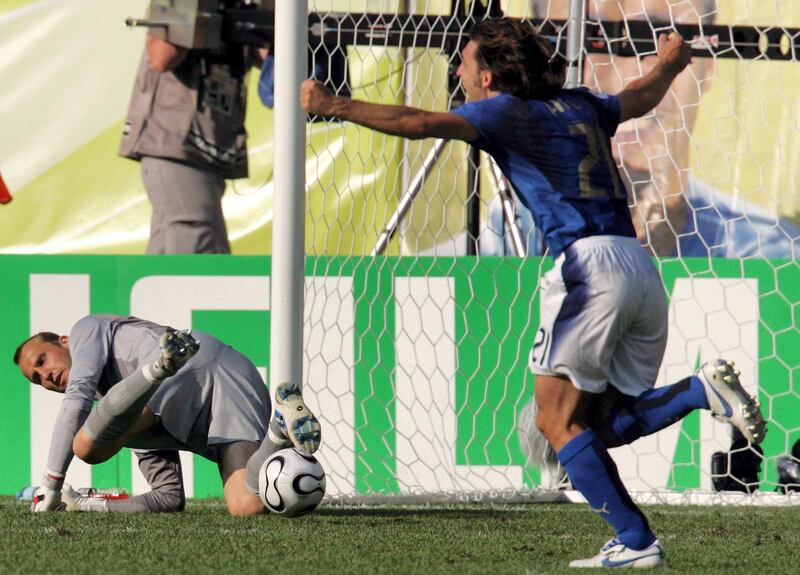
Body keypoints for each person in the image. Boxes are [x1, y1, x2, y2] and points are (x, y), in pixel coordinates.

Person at [301, 18, 766, 568]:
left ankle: (636, 541)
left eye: (465, 63)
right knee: (597, 425)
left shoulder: (502, 112)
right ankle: (697, 392)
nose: (457, 71)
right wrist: (667, 65)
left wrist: (335, 105)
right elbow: (636, 99)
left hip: (587, 268)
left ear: (490, 76)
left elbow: (417, 120)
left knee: (554, 422)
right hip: (638, 266)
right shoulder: (579, 104)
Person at [484, 0, 800, 258]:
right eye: (586, 40)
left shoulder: (772, 258)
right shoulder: (478, 257)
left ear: (708, 62)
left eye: (658, 36)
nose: (625, 74)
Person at [13, 315, 321, 515]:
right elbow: (168, 498)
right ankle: (278, 431)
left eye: (42, 360)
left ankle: (159, 367)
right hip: (235, 376)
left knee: (85, 446)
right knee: (248, 504)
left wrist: (50, 486)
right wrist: (84, 505)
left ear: (63, 341)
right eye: (36, 378)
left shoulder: (84, 329)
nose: (46, 376)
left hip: (186, 365)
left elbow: (77, 400)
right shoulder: (119, 413)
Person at [119, 0, 262, 254]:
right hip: (175, 148)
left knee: (168, 262)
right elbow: (161, 56)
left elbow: (272, 57)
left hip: (209, 153)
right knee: (202, 255)